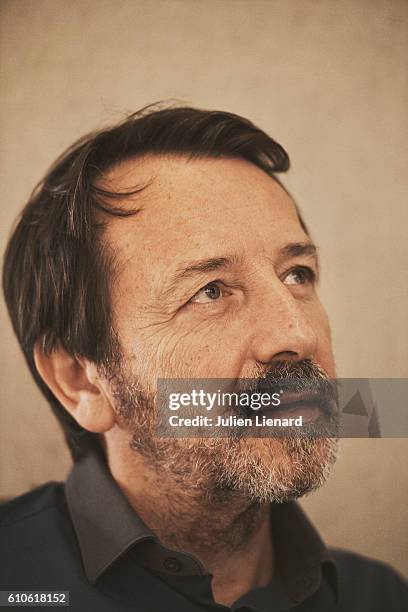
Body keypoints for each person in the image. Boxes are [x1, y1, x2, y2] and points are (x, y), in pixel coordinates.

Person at [1, 105, 406, 611]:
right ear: (81, 380)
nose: (296, 333)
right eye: (211, 291)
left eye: (297, 274)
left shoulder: (381, 597)